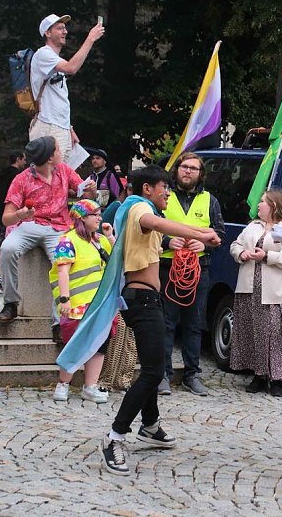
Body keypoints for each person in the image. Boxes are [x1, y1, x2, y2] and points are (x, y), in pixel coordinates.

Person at [96, 165, 220, 476]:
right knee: (153, 372)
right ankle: (115, 436)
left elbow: (156, 231)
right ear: (147, 189)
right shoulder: (139, 207)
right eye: (163, 187)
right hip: (142, 301)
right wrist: (200, 233)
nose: (168, 192)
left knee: (152, 365)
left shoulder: (137, 209)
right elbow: (155, 223)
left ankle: (150, 425)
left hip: (147, 298)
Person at [0, 136, 97, 337]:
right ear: (50, 157)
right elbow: (6, 219)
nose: (61, 152)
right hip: (31, 225)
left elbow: (86, 196)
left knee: (63, 263)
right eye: (58, 149)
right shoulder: (22, 179)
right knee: (7, 248)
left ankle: (59, 322)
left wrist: (91, 191)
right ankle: (11, 303)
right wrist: (21, 214)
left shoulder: (65, 171)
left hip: (59, 227)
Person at [158, 152, 226, 396]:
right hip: (167, 267)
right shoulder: (164, 196)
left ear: (200, 174)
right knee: (165, 322)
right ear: (177, 169)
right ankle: (163, 374)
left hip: (198, 269)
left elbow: (220, 233)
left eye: (193, 168)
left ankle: (192, 374)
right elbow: (149, 228)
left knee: (193, 323)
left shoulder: (210, 201)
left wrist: (204, 245)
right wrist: (167, 241)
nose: (187, 171)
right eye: (184, 167)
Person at [229, 190, 282, 398]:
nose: (258, 205)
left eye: (262, 202)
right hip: (248, 289)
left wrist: (267, 256)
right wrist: (241, 253)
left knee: (274, 335)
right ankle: (259, 375)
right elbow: (235, 244)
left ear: (274, 206)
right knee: (253, 333)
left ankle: (276, 379)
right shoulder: (252, 226)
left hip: (274, 291)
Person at [50, 199, 115, 403]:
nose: (100, 218)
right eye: (96, 214)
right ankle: (63, 384)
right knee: (75, 344)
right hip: (78, 303)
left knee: (99, 344)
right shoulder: (67, 240)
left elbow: (117, 258)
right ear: (82, 218)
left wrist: (110, 236)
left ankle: (90, 386)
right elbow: (62, 271)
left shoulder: (100, 240)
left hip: (101, 303)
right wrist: (65, 299)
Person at [29, 13, 105, 162]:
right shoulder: (43, 54)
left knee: (61, 174)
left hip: (59, 127)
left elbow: (59, 99)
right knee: (50, 174)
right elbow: (71, 68)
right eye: (59, 28)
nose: (65, 31)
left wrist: (69, 128)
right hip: (49, 126)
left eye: (64, 28)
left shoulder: (55, 60)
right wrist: (90, 39)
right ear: (47, 33)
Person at [0, 151, 26, 236]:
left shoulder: (3, 173)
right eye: (24, 160)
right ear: (18, 159)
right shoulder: (18, 176)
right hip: (10, 208)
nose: (25, 162)